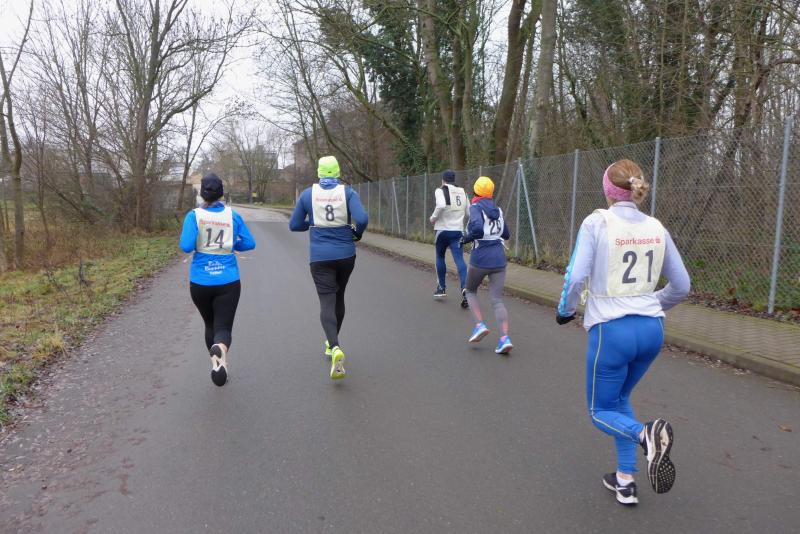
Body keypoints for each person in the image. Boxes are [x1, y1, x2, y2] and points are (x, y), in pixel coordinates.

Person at [556, 159, 690, 506]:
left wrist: (566, 310)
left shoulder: (597, 222)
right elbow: (682, 285)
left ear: (608, 190)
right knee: (619, 399)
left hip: (612, 332)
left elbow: (576, 275)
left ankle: (645, 435)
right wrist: (651, 304)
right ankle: (625, 480)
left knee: (600, 411)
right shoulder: (656, 227)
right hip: (652, 330)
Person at [289, 155, 369, 380]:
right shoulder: (348, 193)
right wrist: (356, 233)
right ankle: (331, 343)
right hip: (346, 255)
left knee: (327, 301)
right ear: (338, 173)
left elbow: (294, 225)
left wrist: (313, 223)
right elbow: (362, 218)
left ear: (319, 173)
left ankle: (334, 346)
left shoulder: (307, 195)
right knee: (339, 297)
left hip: (320, 257)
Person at [180, 173, 256, 387]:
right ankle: (221, 349)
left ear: (202, 193)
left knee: (209, 324)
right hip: (227, 281)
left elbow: (186, 246)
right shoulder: (233, 215)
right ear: (222, 193)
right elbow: (249, 243)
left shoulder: (193, 216)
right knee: (223, 328)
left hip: (200, 282)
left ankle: (217, 364)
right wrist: (232, 245)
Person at [461, 176, 513, 354]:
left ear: (476, 192)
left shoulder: (475, 207)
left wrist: (465, 238)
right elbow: (506, 234)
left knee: (470, 290)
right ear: (491, 193)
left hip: (481, 257)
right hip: (499, 258)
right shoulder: (498, 210)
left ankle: (480, 325)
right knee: (497, 300)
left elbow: (476, 229)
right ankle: (505, 339)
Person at [429, 169, 469, 308]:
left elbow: (440, 205)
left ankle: (441, 288)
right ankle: (465, 288)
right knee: (460, 260)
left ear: (443, 180)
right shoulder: (463, 192)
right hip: (457, 231)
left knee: (440, 257)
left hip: (442, 231)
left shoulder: (440, 190)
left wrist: (433, 218)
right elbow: (469, 212)